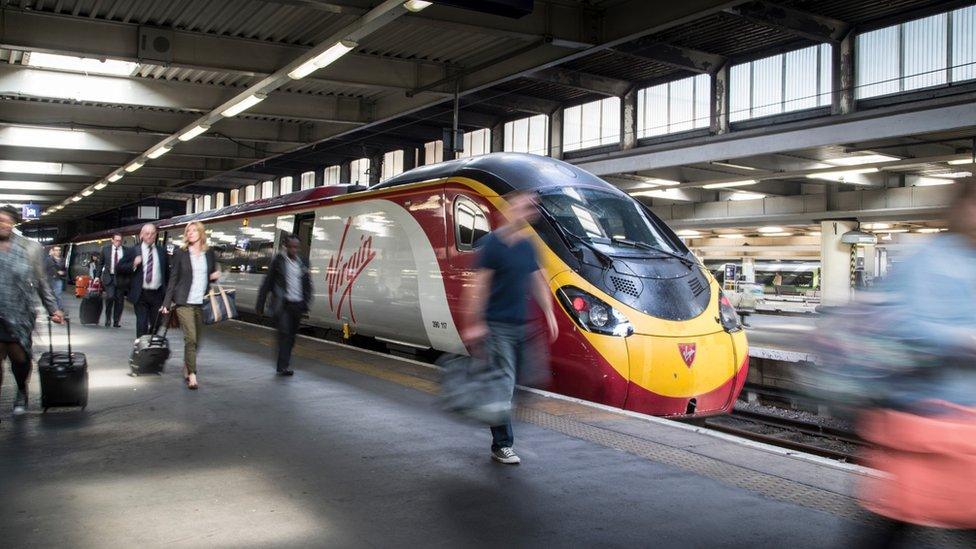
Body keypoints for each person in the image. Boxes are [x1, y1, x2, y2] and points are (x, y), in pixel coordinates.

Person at [843, 180, 976, 545]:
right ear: (961, 208)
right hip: (920, 418)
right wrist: (960, 340)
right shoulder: (926, 261)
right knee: (893, 520)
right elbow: (895, 327)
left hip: (962, 430)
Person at [461, 192, 558, 465]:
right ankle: (502, 444)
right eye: (524, 207)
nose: (529, 212)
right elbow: (479, 286)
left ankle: (490, 410)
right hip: (497, 326)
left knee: (521, 383)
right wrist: (475, 323)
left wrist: (549, 312)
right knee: (504, 385)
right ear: (510, 210)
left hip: (522, 327)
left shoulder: (528, 246)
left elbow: (537, 279)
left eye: (531, 209)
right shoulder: (492, 244)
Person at [0, 206, 64, 417]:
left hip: (20, 314)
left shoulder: (30, 248)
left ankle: (21, 389)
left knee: (19, 358)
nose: (3, 224)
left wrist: (53, 308)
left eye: (7, 221)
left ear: (14, 223)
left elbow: (41, 282)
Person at [162, 222, 219, 390]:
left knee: (197, 341)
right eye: (188, 231)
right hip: (183, 302)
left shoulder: (209, 253)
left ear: (201, 233)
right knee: (191, 338)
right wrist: (166, 302)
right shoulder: (181, 253)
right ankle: (192, 375)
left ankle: (187, 364)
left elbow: (211, 274)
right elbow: (173, 279)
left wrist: (215, 276)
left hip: (201, 302)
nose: (191, 233)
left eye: (194, 230)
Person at [256, 235, 313, 376]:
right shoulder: (278, 261)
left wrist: (306, 301)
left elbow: (307, 284)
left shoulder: (303, 262)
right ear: (286, 247)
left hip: (297, 305)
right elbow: (267, 282)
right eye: (291, 246)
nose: (294, 249)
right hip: (283, 305)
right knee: (285, 334)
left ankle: (284, 363)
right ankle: (283, 366)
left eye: (296, 247)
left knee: (292, 337)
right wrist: (260, 304)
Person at [118, 224, 169, 337]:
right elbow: (120, 267)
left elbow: (167, 274)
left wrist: (169, 295)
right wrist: (133, 264)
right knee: (142, 324)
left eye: (152, 233)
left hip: (157, 294)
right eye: (147, 233)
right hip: (141, 294)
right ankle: (141, 348)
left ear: (156, 235)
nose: (150, 236)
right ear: (141, 235)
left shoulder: (162, 252)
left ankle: (149, 341)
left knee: (157, 323)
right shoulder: (134, 250)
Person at [100, 233, 127, 328]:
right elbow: (100, 264)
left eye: (120, 240)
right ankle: (107, 318)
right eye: (116, 240)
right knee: (110, 297)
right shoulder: (105, 249)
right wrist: (96, 277)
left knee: (119, 301)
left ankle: (116, 321)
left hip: (121, 279)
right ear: (112, 240)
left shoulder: (125, 250)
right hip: (109, 278)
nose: (118, 242)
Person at [46, 246, 67, 311]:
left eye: (59, 250)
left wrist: (63, 273)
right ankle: (50, 309)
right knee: (49, 295)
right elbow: (47, 267)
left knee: (58, 294)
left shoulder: (63, 260)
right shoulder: (49, 259)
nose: (58, 251)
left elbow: (65, 270)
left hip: (58, 279)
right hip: (49, 279)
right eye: (56, 250)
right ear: (53, 251)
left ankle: (60, 309)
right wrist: (57, 271)